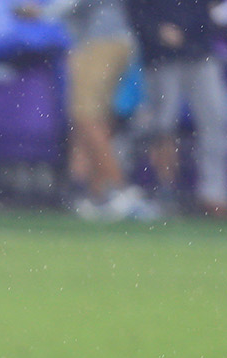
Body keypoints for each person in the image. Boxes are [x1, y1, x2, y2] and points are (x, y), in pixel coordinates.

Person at [18, 0, 143, 220]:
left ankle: (119, 191)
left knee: (87, 117)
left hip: (102, 42)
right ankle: (98, 195)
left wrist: (42, 12)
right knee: (96, 120)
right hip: (101, 41)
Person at [124, 0, 227, 217]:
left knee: (215, 121)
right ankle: (164, 191)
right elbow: (134, 12)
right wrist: (156, 30)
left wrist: (197, 26)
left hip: (198, 50)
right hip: (161, 55)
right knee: (162, 126)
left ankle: (213, 193)